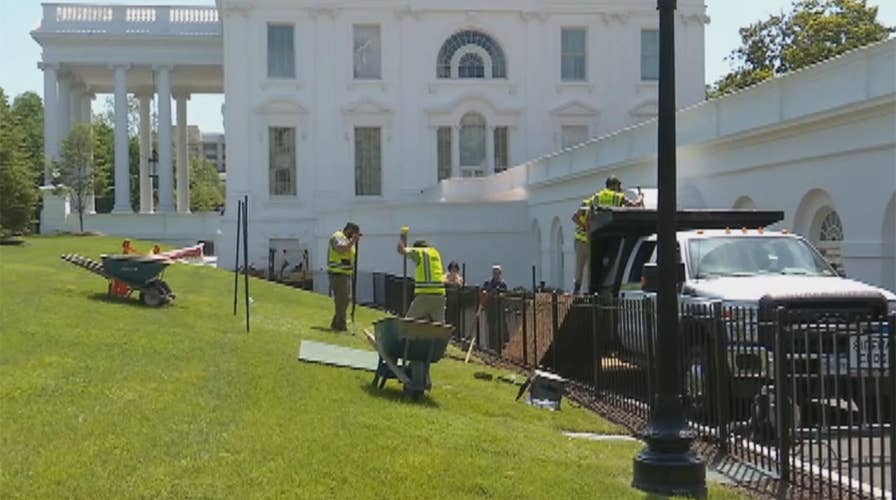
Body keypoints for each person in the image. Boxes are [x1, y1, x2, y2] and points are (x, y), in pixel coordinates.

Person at [397, 235, 446, 323]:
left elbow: (401, 249)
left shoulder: (419, 252)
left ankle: (405, 336)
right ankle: (442, 336)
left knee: (408, 323)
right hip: (440, 296)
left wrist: (402, 237)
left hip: (425, 295)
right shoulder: (435, 252)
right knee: (440, 327)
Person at [328, 222, 361, 331]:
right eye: (354, 234)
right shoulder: (337, 237)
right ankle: (340, 325)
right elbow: (340, 249)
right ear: (349, 230)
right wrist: (352, 241)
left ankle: (337, 322)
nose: (354, 237)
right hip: (337, 273)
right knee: (342, 299)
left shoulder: (348, 241)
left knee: (345, 299)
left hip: (346, 274)